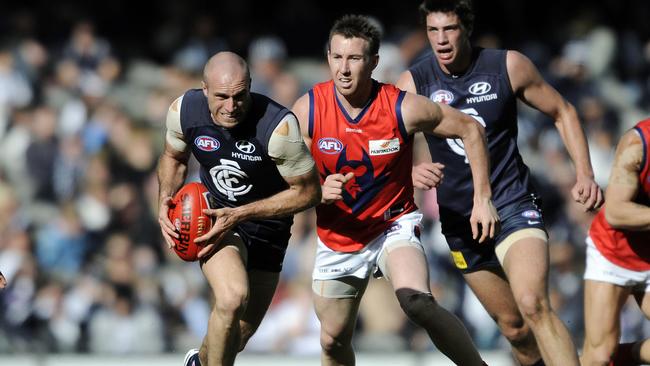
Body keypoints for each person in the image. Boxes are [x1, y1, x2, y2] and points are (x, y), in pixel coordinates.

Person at [396, 1, 604, 365]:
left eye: (451, 29)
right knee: (514, 329)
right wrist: (411, 171)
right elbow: (388, 145)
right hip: (460, 219)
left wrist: (584, 173)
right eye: (433, 31)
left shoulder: (506, 66)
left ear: (467, 29)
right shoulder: (413, 83)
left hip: (511, 202)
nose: (442, 40)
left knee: (533, 304)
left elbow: (563, 111)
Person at [292, 14, 499, 366]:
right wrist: (316, 188)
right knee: (332, 340)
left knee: (418, 301)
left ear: (373, 62)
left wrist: (483, 198)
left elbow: (471, 130)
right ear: (327, 58)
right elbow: (286, 171)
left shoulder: (402, 106)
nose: (343, 69)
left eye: (354, 59)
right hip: (338, 235)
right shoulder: (307, 110)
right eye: (337, 57)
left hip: (392, 225)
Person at [157, 52, 321, 366]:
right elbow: (172, 157)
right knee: (232, 299)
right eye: (221, 97)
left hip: (269, 230)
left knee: (238, 335)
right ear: (204, 89)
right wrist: (165, 198)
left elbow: (310, 193)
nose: (231, 107)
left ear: (250, 87)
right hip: (214, 218)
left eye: (239, 96)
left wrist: (242, 213)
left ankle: (198, 363)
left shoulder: (278, 128)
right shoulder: (183, 111)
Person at [581, 118, 650, 366]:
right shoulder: (638, 144)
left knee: (605, 355)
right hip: (614, 254)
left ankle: (619, 357)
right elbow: (616, 212)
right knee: (599, 356)